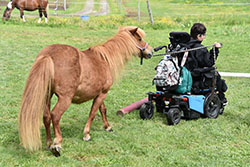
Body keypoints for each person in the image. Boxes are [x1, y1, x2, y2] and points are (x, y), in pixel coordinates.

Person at [185, 23, 228, 105]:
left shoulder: (184, 46)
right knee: (215, 74)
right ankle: (222, 99)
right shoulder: (200, 49)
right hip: (196, 75)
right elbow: (209, 63)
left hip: (187, 73)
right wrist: (215, 50)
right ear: (199, 36)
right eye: (204, 35)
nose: (204, 37)